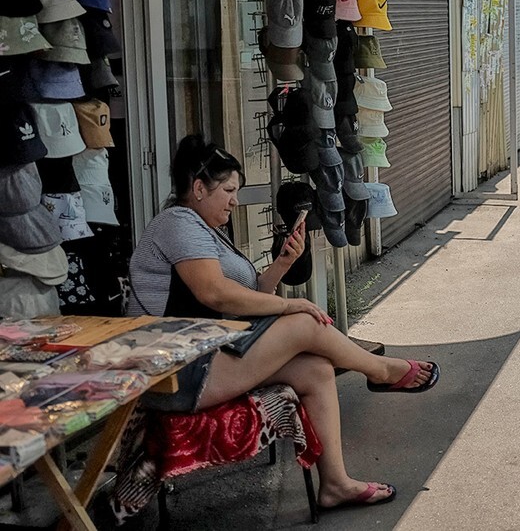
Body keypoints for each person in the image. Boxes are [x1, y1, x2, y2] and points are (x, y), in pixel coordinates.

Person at [127, 135, 440, 508]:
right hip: (173, 372)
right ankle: (381, 370)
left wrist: (283, 263)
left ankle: (335, 485)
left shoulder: (205, 230)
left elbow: (248, 297)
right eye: (228, 190)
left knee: (315, 369)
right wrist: (287, 306)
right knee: (304, 322)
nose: (234, 201)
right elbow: (214, 293)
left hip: (208, 354)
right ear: (198, 189)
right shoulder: (178, 223)